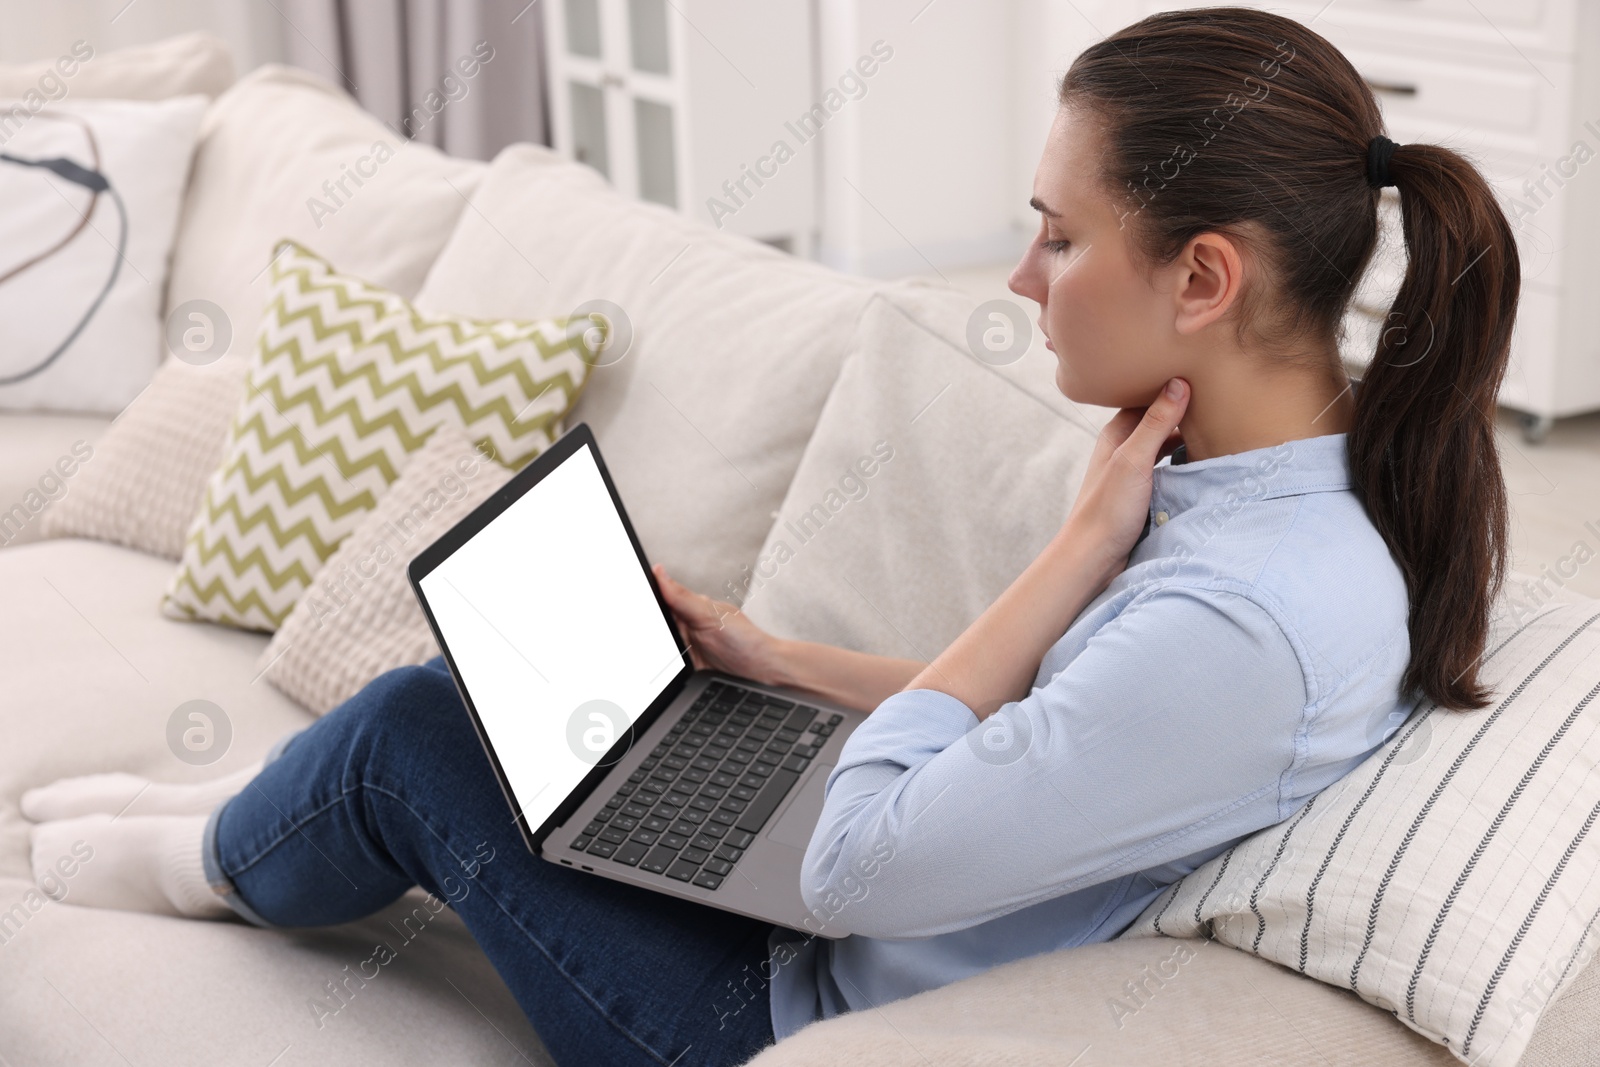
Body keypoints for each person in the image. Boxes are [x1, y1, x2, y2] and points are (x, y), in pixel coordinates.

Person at [22, 7, 1519, 1065]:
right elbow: (1048, 738)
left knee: (415, 726)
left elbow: (864, 869)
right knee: (556, 706)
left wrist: (1071, 558)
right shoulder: (1290, 482)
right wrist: (773, 658)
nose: (1017, 274)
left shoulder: (1243, 623)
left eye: (1060, 235)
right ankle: (263, 809)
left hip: (775, 1015)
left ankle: (213, 861)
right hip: (855, 911)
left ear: (1202, 276)